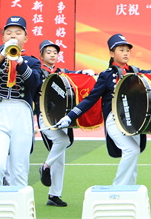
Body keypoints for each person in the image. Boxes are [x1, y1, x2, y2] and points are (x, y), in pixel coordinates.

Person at [55, 34, 151, 186]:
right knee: (131, 150)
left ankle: (130, 191)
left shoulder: (134, 72)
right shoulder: (106, 76)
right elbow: (90, 99)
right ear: (111, 53)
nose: (125, 53)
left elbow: (148, 74)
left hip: (134, 120)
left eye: (127, 50)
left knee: (133, 155)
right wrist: (70, 116)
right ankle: (117, 188)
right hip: (114, 120)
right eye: (121, 50)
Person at [0, 16, 42, 187]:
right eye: (8, 33)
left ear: (26, 38)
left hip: (22, 113)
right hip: (0, 112)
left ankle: (19, 203)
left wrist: (19, 61)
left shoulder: (32, 61)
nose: (13, 36)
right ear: (2, 38)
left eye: (18, 32)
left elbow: (34, 83)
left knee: (19, 170)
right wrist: (2, 55)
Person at [37, 39, 94, 207]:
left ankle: (54, 195)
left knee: (60, 157)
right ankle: (45, 167)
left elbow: (73, 77)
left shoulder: (61, 72)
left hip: (61, 118)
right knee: (62, 141)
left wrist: (84, 73)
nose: (52, 55)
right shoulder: (38, 73)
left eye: (55, 52)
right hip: (45, 117)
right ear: (41, 55)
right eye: (48, 52)